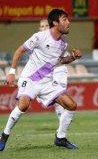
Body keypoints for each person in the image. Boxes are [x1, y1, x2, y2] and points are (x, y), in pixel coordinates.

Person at [0, 9, 82, 151]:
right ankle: (4, 135)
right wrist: (11, 72)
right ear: (55, 23)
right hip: (30, 79)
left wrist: (73, 58)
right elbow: (19, 50)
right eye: (64, 19)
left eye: (68, 19)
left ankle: (60, 138)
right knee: (24, 105)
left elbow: (58, 61)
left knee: (71, 105)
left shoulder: (63, 43)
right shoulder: (40, 37)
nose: (68, 22)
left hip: (47, 82)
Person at [38, 19, 65, 119]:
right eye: (42, 26)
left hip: (58, 70)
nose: (44, 28)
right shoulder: (36, 39)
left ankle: (62, 123)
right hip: (42, 74)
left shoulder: (58, 38)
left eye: (46, 26)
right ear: (39, 28)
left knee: (59, 97)